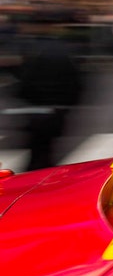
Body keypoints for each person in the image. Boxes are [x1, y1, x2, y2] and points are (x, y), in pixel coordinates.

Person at [11, 10, 87, 171]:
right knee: (45, 153)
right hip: (57, 109)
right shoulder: (65, 49)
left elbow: (23, 80)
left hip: (36, 108)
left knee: (38, 156)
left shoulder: (31, 49)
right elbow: (76, 82)